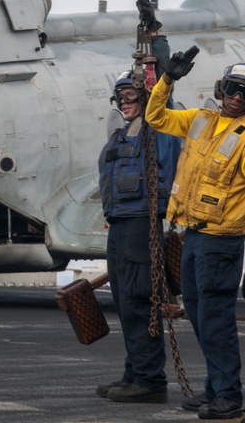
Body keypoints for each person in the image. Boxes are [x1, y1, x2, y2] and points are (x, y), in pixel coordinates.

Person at [145, 52, 245, 420]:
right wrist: (167, 80)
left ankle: (228, 395)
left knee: (215, 318)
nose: (237, 97)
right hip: (193, 236)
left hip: (220, 240)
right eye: (233, 89)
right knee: (199, 315)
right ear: (222, 89)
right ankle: (216, 387)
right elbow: (156, 117)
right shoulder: (201, 120)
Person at [96, 70, 181, 404]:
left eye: (130, 95)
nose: (123, 102)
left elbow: (165, 99)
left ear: (146, 97)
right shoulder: (125, 133)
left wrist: (158, 65)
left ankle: (149, 379)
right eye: (119, 96)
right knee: (124, 301)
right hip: (120, 224)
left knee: (138, 300)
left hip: (140, 223)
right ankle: (134, 373)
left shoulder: (158, 128)